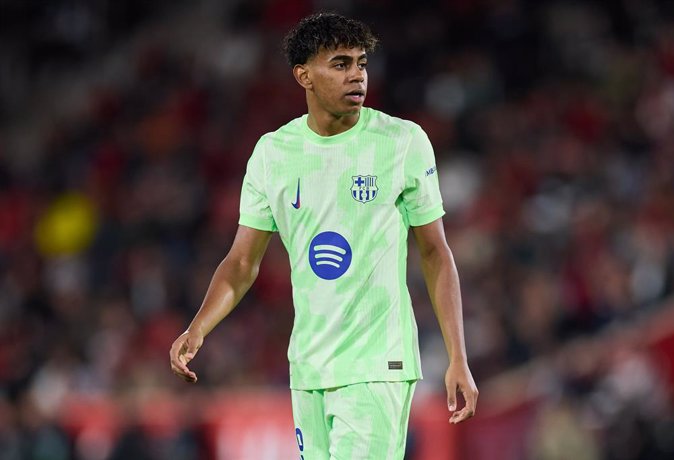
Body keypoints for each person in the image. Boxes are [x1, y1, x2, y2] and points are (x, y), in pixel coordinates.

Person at [170, 12, 478, 458]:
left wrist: (457, 357)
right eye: (340, 64)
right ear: (304, 76)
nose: (357, 75)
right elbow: (241, 262)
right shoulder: (273, 154)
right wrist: (198, 328)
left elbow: (435, 252)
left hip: (378, 364)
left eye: (362, 63)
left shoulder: (402, 142)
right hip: (309, 367)